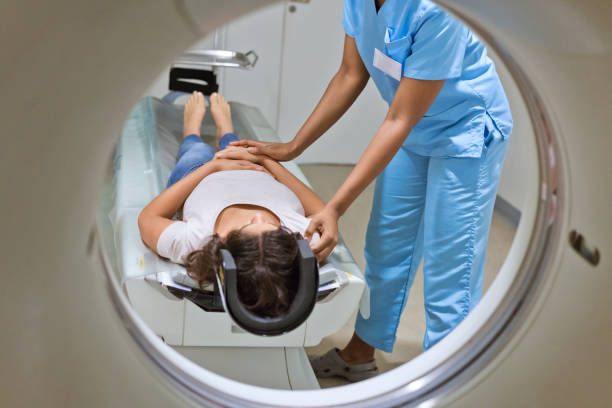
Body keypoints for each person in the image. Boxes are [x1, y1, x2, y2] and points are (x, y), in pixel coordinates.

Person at [230, 0, 513, 381]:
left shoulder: (436, 11)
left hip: (465, 129)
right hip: (415, 130)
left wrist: (335, 207)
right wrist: (292, 147)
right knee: (386, 247)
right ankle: (358, 355)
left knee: (451, 270)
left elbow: (399, 118)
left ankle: (446, 383)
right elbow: (350, 73)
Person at [138, 91, 323, 318]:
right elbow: (321, 212)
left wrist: (213, 167)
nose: (258, 218)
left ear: (222, 248)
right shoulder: (305, 238)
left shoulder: (198, 242)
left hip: (199, 177)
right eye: (276, 229)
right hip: (256, 170)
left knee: (197, 153)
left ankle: (192, 131)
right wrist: (268, 162)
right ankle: (226, 130)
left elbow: (148, 218)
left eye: (246, 228)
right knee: (239, 148)